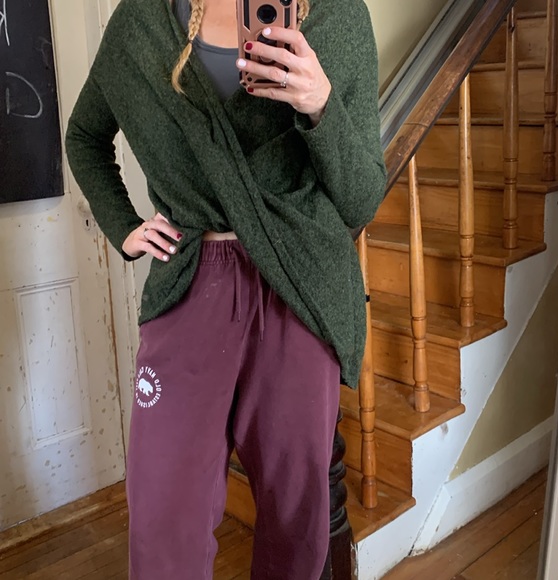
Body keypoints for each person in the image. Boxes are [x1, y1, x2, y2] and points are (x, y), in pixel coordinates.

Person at [65, 0, 387, 577]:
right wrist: (124, 226)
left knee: (296, 520)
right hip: (191, 278)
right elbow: (85, 135)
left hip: (299, 284)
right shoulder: (142, 20)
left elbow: (361, 199)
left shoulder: (337, 16)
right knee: (162, 518)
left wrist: (320, 104)